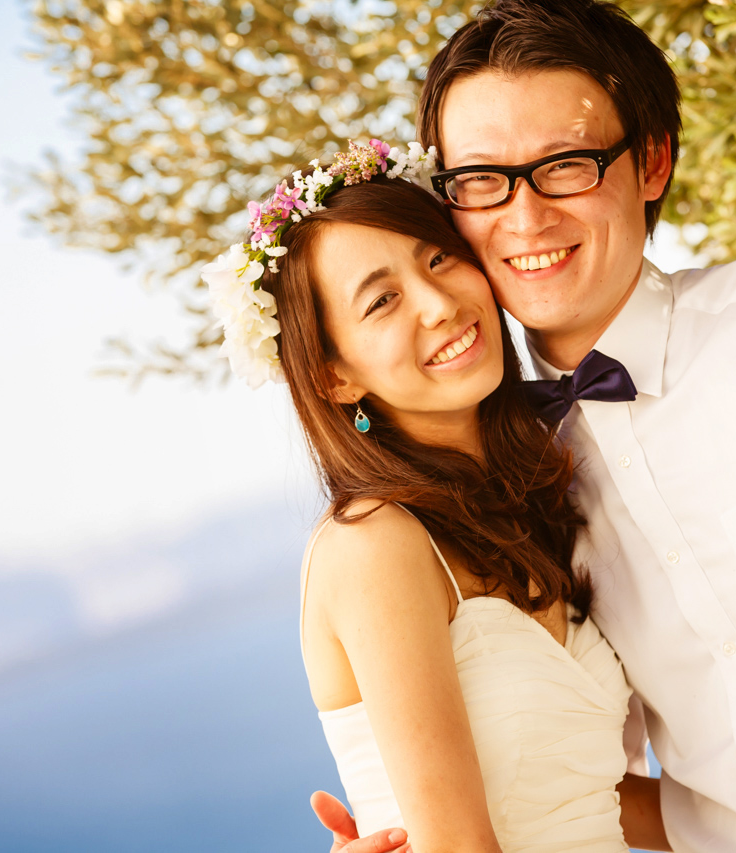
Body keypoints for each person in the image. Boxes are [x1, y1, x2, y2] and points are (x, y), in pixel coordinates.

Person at [316, 1, 736, 852]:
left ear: (651, 163)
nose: (525, 217)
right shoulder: (529, 485)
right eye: (483, 180)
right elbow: (578, 783)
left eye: (566, 164)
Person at [202, 142, 669, 851]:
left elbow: (591, 797)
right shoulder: (374, 543)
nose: (439, 303)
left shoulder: (528, 503)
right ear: (334, 377)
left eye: (439, 257)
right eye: (382, 300)